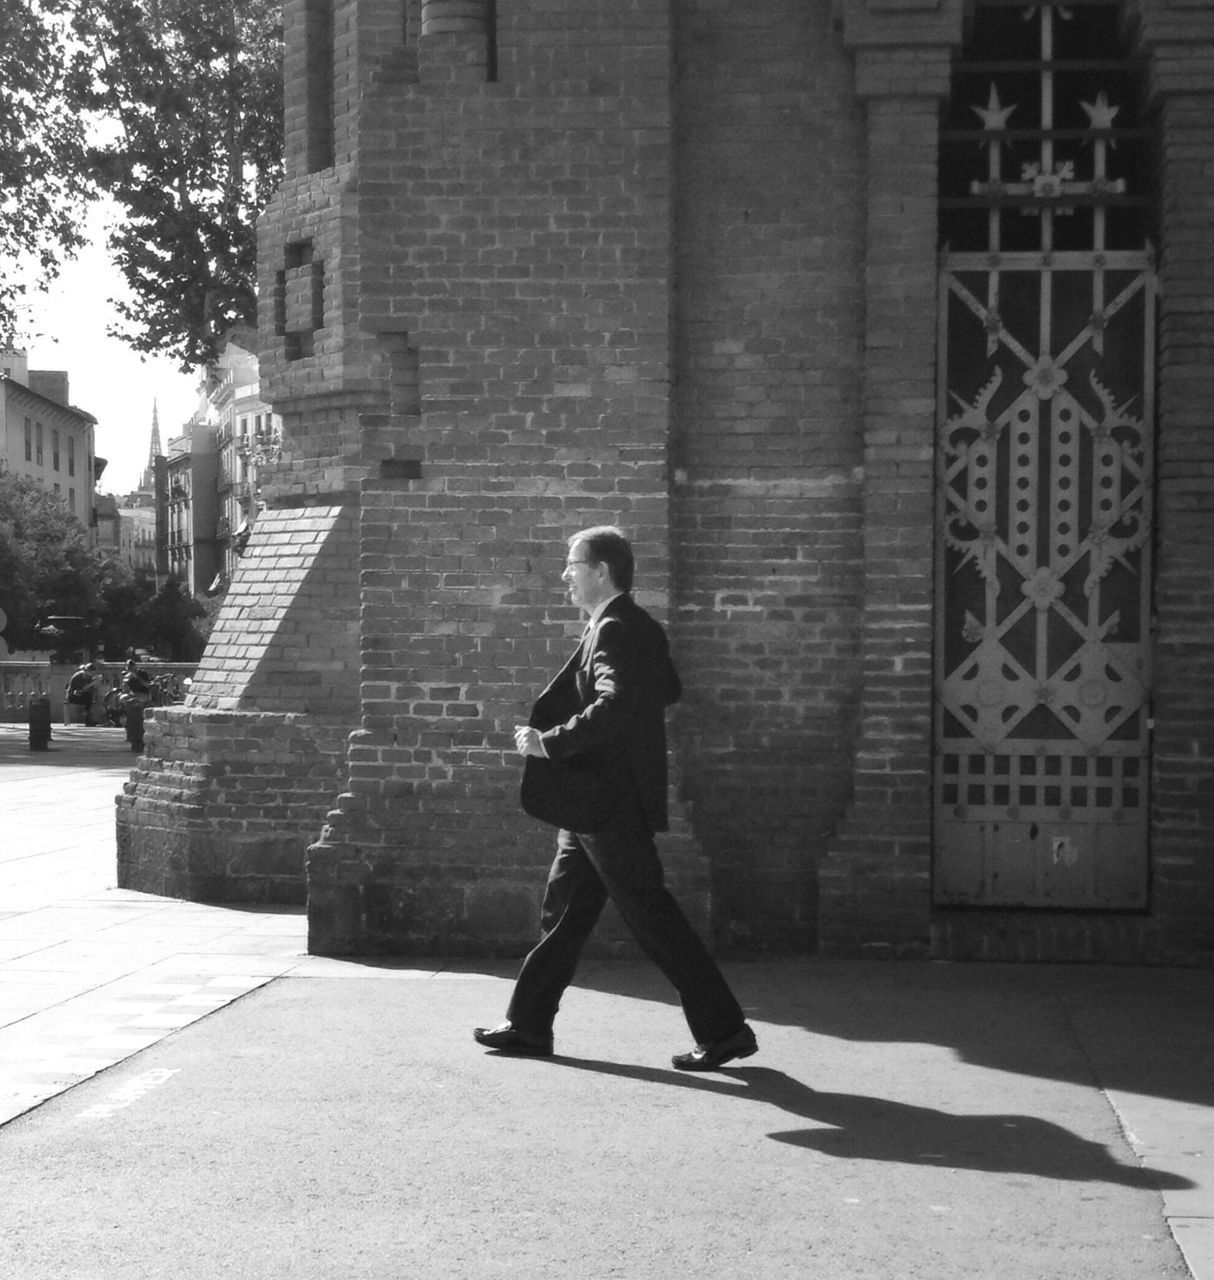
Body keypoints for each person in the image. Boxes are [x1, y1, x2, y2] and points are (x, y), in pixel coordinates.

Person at [474, 526, 758, 1072]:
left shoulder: (614, 629)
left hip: (607, 805)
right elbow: (665, 689)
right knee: (564, 914)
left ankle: (724, 1030)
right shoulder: (634, 624)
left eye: (572, 565)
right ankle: (529, 1023)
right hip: (592, 806)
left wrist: (548, 742)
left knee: (652, 915)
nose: (564, 574)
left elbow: (618, 702)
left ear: (601, 570)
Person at [118, 657, 153, 752]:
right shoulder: (126, 675)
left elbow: (147, 685)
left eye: (131, 667)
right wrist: (125, 683)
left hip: (143, 694)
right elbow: (126, 690)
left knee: (136, 703)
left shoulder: (142, 673)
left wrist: (136, 677)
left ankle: (136, 732)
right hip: (133, 694)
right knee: (126, 701)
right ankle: (125, 720)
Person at [64, 661, 102, 726]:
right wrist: (93, 683)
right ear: (86, 671)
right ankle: (88, 720)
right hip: (73, 696)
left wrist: (97, 679)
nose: (92, 674)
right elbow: (82, 689)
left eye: (93, 672)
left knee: (91, 697)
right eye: (91, 672)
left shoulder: (88, 676)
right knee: (88, 698)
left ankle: (91, 719)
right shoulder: (78, 676)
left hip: (82, 695)